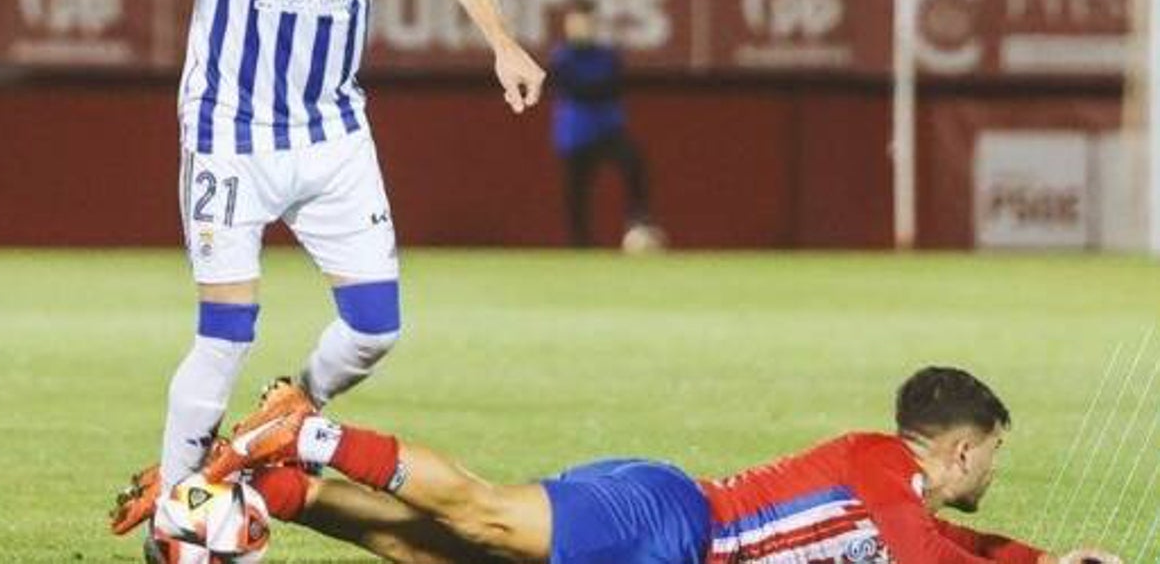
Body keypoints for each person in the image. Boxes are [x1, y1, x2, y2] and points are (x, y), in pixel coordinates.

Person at [57, 0, 546, 538]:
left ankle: (282, 420)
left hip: (332, 132)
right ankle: (178, 518)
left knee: (376, 329)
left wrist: (503, 42)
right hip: (230, 133)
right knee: (225, 334)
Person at [190, 366, 1123, 564]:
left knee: (445, 555)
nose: (989, 473)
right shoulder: (883, 463)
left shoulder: (898, 494)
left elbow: (947, 542)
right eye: (991, 455)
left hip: (664, 533)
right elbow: (926, 558)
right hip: (673, 523)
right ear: (961, 446)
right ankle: (302, 432)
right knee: (481, 513)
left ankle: (279, 489)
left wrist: (1045, 560)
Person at [549, 0, 654, 248]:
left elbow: (611, 85)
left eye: (586, 21)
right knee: (576, 191)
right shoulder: (562, 56)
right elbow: (574, 86)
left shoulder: (607, 55)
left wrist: (594, 87)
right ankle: (579, 243)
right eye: (576, 21)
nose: (581, 27)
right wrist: (594, 87)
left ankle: (638, 221)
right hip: (576, 134)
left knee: (633, 163)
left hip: (608, 129)